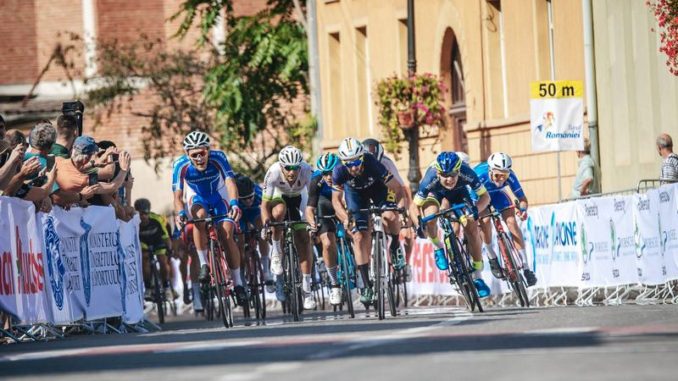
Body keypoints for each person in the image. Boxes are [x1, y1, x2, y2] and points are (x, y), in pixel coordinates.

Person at [171, 130, 247, 306]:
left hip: (219, 196)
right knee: (199, 217)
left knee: (227, 236)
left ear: (208, 150)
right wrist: (181, 213)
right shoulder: (180, 165)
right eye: (194, 155)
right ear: (187, 154)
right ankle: (204, 263)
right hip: (197, 196)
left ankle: (238, 284)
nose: (199, 158)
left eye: (202, 153)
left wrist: (235, 203)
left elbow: (230, 182)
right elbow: (177, 195)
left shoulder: (218, 157)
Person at [331, 138, 407, 304]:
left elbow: (396, 187)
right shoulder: (338, 171)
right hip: (355, 195)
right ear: (343, 163)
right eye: (349, 164)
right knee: (359, 236)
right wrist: (346, 219)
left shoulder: (372, 162)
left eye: (357, 161)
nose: (354, 167)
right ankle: (366, 285)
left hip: (377, 190)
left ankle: (394, 245)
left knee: (390, 216)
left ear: (362, 157)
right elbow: (336, 201)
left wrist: (399, 208)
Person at [412, 152, 492, 298]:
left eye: (453, 175)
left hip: (459, 194)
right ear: (438, 172)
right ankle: (438, 247)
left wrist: (475, 210)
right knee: (430, 216)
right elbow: (414, 206)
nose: (449, 179)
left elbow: (485, 197)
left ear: (459, 170)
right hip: (436, 194)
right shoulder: (430, 178)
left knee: (471, 226)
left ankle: (478, 276)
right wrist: (418, 223)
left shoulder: (467, 172)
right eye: (444, 175)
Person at [260, 145, 316, 309]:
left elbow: (312, 200)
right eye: (288, 168)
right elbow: (264, 205)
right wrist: (266, 225)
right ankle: (277, 253)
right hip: (279, 198)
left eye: (295, 168)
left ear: (301, 166)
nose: (292, 172)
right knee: (278, 212)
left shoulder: (307, 171)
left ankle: (307, 290)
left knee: (304, 239)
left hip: (300, 199)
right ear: (281, 166)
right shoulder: (273, 172)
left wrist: (312, 222)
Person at [475, 152, 537, 287]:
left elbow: (522, 199)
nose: (501, 179)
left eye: (505, 176)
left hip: (498, 195)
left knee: (512, 223)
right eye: (497, 175)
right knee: (485, 222)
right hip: (480, 197)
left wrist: (523, 210)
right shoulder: (479, 175)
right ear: (490, 170)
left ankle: (526, 268)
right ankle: (492, 257)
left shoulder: (510, 176)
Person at [362, 138, 413, 281]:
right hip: (365, 191)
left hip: (385, 190)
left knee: (390, 216)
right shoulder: (357, 164)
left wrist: (402, 209)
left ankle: (395, 245)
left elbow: (399, 188)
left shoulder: (386, 163)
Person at [51, 136, 130, 208]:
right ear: (87, 158)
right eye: (93, 155)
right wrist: (124, 170)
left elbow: (75, 168)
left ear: (73, 148)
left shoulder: (58, 160)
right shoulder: (84, 180)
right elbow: (112, 186)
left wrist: (93, 163)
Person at [305, 152, 342, 306]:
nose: (328, 177)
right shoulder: (316, 181)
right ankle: (334, 284)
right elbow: (309, 209)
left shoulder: (345, 175)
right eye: (325, 173)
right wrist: (312, 223)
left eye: (331, 173)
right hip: (324, 203)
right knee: (327, 243)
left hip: (343, 200)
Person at [234, 173, 273, 292]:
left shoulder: (258, 192)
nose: (248, 200)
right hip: (239, 215)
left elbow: (268, 209)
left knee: (262, 230)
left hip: (254, 213)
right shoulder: (233, 195)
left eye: (250, 197)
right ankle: (241, 276)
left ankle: (266, 271)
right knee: (239, 243)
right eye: (244, 199)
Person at [135, 198, 174, 301]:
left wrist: (169, 249)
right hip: (144, 242)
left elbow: (166, 236)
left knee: (163, 261)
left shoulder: (157, 219)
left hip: (158, 240)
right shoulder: (134, 221)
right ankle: (148, 287)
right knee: (145, 259)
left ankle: (166, 287)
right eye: (140, 213)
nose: (143, 216)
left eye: (145, 213)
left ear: (149, 212)